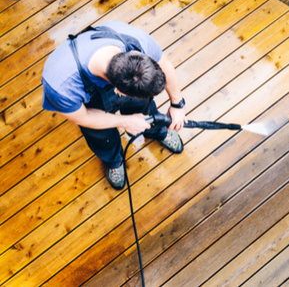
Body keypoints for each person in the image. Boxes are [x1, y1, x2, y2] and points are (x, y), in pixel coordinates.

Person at [42, 21, 186, 190]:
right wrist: (124, 122)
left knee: (145, 107)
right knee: (101, 135)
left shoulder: (135, 41)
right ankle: (113, 160)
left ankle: (157, 131)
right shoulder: (61, 85)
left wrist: (177, 105)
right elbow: (83, 117)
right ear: (120, 91)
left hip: (121, 88)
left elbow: (166, 67)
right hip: (89, 107)